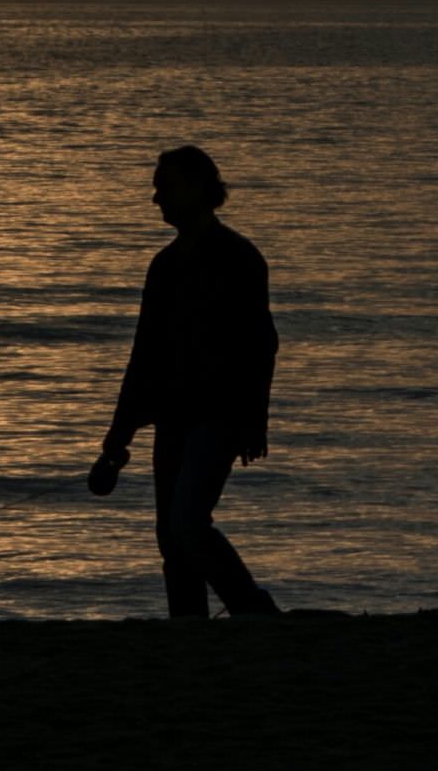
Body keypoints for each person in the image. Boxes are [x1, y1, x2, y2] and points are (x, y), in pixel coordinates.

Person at [96, 146, 281, 617]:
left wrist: (253, 421)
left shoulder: (239, 259)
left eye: (165, 186)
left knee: (187, 524)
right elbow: (145, 355)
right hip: (173, 416)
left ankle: (253, 609)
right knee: (171, 535)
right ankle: (189, 625)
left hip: (219, 416)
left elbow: (260, 345)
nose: (156, 198)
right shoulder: (164, 266)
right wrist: (120, 434)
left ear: (198, 189)